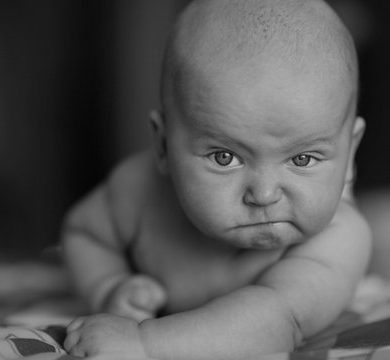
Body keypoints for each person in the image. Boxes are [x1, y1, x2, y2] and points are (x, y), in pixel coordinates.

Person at [61, 0, 372, 358]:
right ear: (163, 145)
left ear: (349, 154)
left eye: (303, 158)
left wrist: (143, 344)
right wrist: (108, 286)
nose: (265, 193)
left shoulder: (338, 238)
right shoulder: (139, 188)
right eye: (225, 157)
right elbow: (84, 233)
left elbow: (274, 319)